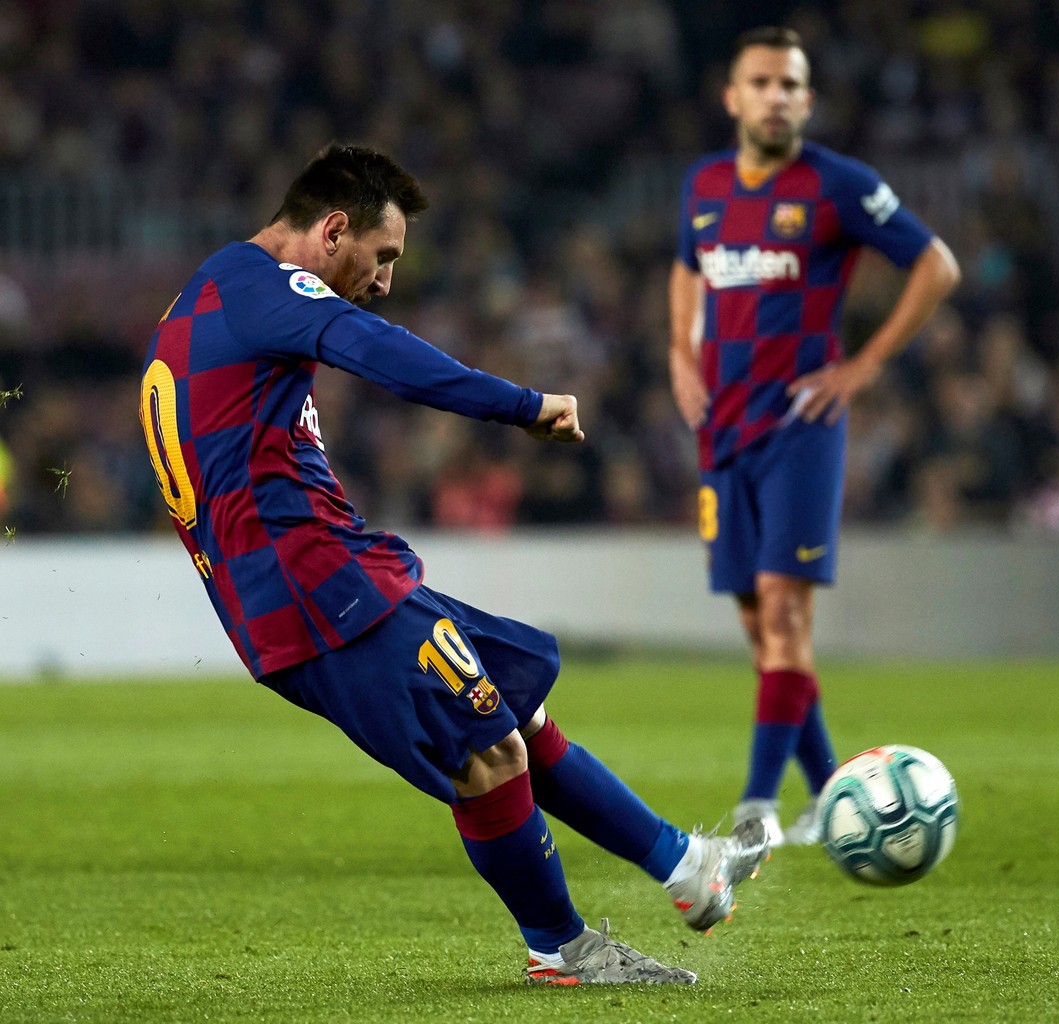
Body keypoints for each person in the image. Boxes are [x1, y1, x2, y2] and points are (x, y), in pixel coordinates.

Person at [136, 144, 766, 986]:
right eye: (383, 255)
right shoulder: (265, 287)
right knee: (490, 752)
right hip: (320, 589)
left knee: (515, 713)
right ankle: (563, 950)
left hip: (322, 578)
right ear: (331, 231)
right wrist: (526, 406)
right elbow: (382, 353)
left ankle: (687, 868)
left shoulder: (205, 295)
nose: (386, 280)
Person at [668, 28, 961, 846]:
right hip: (720, 428)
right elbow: (687, 266)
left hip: (801, 425)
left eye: (790, 84)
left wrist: (862, 365)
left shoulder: (838, 185)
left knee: (787, 617)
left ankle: (758, 809)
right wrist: (676, 352)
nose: (775, 97)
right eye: (760, 82)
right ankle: (833, 794)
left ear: (807, 99)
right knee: (761, 630)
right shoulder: (703, 185)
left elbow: (936, 264)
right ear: (733, 97)